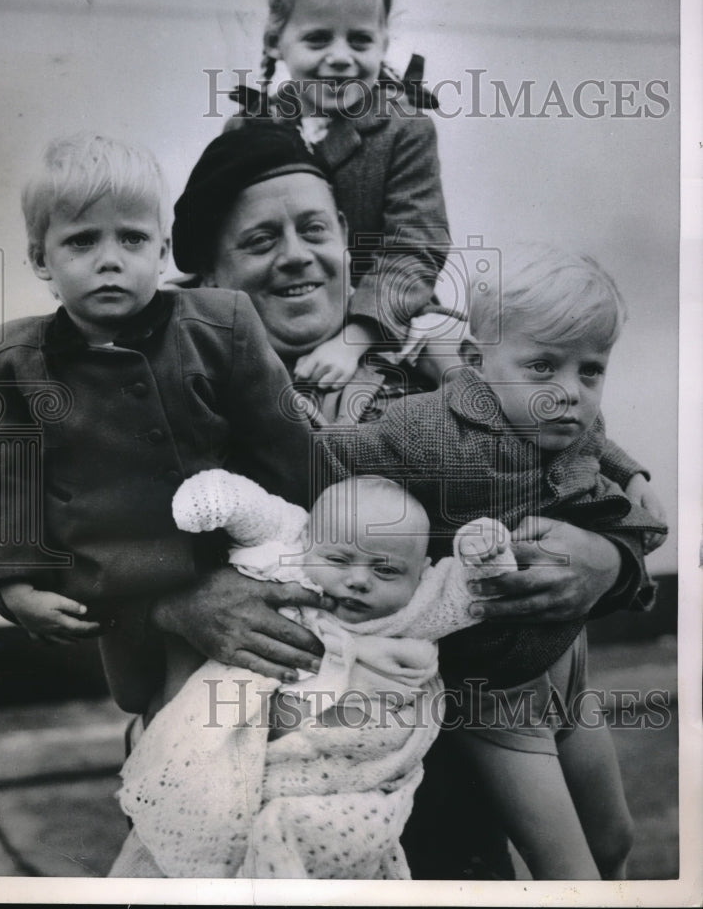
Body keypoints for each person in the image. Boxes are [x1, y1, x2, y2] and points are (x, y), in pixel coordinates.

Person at [161, 125, 666, 878]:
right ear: (208, 275)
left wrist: (606, 560)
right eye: (261, 239)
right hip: (303, 781)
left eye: (316, 229)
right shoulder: (190, 396)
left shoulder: (438, 356)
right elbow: (100, 550)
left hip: (472, 756)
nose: (297, 254)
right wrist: (176, 601)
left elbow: (589, 467)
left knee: (593, 847)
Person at [317, 241, 668, 879]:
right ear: (478, 363)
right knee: (568, 871)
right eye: (543, 367)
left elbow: (598, 435)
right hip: (496, 695)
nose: (570, 392)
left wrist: (633, 474)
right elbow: (339, 456)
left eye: (591, 370)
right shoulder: (429, 429)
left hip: (569, 667)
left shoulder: (563, 417)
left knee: (615, 840)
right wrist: (334, 417)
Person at [0, 131, 319, 716]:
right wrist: (14, 584)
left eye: (132, 237)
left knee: (249, 707)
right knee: (147, 708)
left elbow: (284, 445)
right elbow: (6, 483)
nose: (110, 258)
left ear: (161, 250)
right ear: (39, 259)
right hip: (111, 587)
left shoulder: (221, 323)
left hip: (235, 565)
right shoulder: (8, 358)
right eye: (81, 241)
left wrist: (322, 535)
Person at [110, 470, 514, 879]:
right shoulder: (287, 574)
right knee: (208, 803)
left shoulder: (413, 608)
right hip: (254, 749)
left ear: (421, 573)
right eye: (339, 561)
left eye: (386, 571)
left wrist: (483, 549)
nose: (358, 581)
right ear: (306, 545)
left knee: (314, 830)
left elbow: (472, 589)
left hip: (347, 771)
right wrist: (213, 498)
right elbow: (255, 513)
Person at [207, 0, 452, 391]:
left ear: (383, 44)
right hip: (283, 305)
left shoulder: (405, 127)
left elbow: (416, 247)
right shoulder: (247, 126)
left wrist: (353, 339)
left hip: (383, 314)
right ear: (275, 42)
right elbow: (225, 241)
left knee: (459, 370)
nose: (340, 56)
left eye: (359, 40)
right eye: (318, 38)